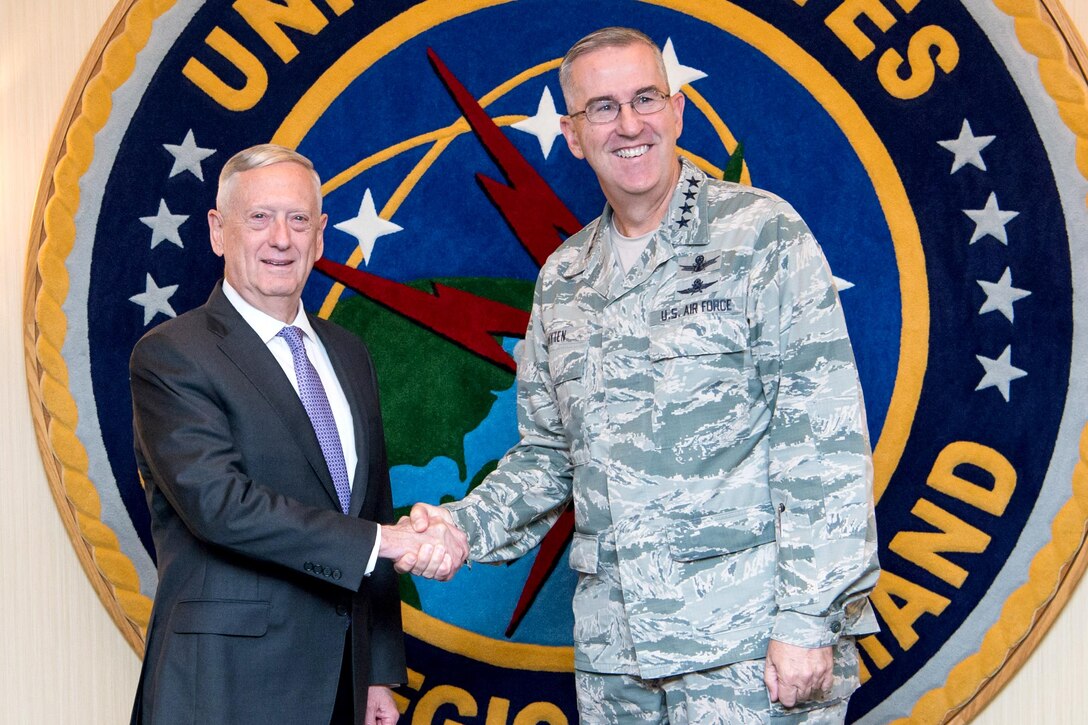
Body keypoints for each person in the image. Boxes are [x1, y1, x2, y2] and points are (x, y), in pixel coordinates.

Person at [406, 27, 880, 723]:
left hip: (747, 649)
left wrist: (809, 615)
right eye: (602, 108)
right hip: (616, 660)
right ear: (572, 134)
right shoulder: (564, 277)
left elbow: (823, 440)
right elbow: (546, 458)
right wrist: (459, 525)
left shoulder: (760, 235)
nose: (628, 124)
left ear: (677, 111)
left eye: (645, 98)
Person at [129, 144, 467, 725]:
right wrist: (387, 542)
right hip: (223, 686)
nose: (280, 238)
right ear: (217, 230)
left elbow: (371, 504)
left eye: (298, 219)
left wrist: (377, 670)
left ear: (320, 236)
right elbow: (221, 506)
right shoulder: (171, 356)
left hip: (341, 684)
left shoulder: (348, 353)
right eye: (259, 217)